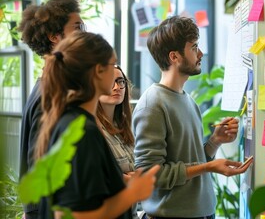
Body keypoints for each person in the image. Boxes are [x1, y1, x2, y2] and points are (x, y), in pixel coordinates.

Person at [133, 15, 253, 219]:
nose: (201, 53)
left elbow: (193, 161)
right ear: (174, 56)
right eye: (194, 47)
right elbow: (150, 174)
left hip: (202, 212)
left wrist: (215, 141)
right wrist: (209, 167)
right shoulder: (152, 104)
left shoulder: (188, 100)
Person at [36, 31, 160, 219]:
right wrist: (133, 193)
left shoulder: (70, 120)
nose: (118, 80)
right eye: (112, 65)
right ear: (98, 71)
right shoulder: (82, 131)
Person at [17, 0, 85, 219]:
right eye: (77, 27)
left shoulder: (56, 85)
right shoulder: (51, 92)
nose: (84, 34)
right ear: (55, 37)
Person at [96, 65, 140, 219]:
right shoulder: (91, 129)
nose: (117, 87)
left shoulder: (125, 128)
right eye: (110, 82)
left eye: (120, 81)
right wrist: (126, 179)